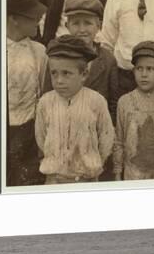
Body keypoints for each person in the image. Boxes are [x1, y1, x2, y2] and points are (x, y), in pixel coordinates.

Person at [35, 35, 115, 184]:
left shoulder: (96, 101)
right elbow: (41, 136)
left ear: (84, 74)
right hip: (55, 178)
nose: (59, 80)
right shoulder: (45, 102)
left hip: (86, 178)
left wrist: (93, 163)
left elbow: (106, 137)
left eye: (66, 73)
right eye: (54, 73)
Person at [42, 0, 119, 124]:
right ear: (67, 26)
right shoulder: (56, 56)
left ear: (98, 25)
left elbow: (113, 103)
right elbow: (47, 97)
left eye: (88, 23)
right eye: (76, 23)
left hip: (95, 127)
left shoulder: (107, 60)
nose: (82, 30)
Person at [5, 0, 48, 186]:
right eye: (31, 16)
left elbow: (42, 92)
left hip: (30, 132)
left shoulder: (39, 52)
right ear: (13, 18)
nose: (38, 20)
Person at [113, 41, 154, 181]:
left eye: (150, 69)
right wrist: (117, 174)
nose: (144, 74)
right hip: (133, 175)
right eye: (139, 69)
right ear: (133, 71)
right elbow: (119, 141)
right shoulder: (125, 102)